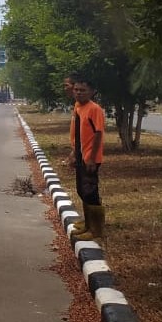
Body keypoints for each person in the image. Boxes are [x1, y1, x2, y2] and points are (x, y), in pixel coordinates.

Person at [65, 76, 107, 242]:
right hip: (81, 154)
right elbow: (77, 132)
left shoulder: (94, 109)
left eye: (83, 90)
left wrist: (91, 158)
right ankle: (88, 222)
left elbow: (98, 133)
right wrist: (74, 152)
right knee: (82, 190)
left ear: (92, 92)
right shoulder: (78, 107)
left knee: (90, 191)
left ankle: (96, 229)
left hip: (91, 157)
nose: (79, 93)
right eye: (76, 90)